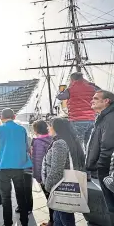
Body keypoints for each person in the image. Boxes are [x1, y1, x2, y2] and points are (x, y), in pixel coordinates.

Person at [0, 108, 32, 226]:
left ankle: (7, 223)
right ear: (14, 116)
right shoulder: (22, 129)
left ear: (2, 117)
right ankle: (24, 221)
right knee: (21, 195)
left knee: (5, 197)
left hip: (3, 167)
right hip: (19, 167)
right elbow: (26, 147)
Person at [42, 117, 85, 226]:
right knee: (59, 218)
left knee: (65, 218)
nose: (48, 127)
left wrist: (48, 185)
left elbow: (57, 169)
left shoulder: (59, 143)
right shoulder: (71, 140)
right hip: (67, 184)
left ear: (56, 127)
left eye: (50, 125)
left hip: (60, 186)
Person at [86, 90, 114, 223]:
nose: (92, 100)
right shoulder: (104, 117)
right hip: (105, 167)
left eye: (96, 98)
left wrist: (100, 165)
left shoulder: (110, 117)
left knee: (111, 205)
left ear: (106, 101)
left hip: (107, 169)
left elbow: (108, 146)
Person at [56, 72, 99, 150]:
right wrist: (91, 84)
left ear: (72, 79)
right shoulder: (91, 87)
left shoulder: (70, 89)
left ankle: (80, 161)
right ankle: (88, 160)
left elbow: (60, 97)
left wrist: (66, 88)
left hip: (77, 120)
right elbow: (101, 92)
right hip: (91, 119)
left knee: (78, 145)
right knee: (89, 143)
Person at [30, 120, 54, 226]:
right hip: (54, 174)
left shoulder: (38, 142)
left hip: (45, 176)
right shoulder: (52, 139)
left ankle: (52, 221)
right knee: (54, 198)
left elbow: (38, 161)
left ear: (36, 130)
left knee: (49, 199)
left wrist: (38, 177)